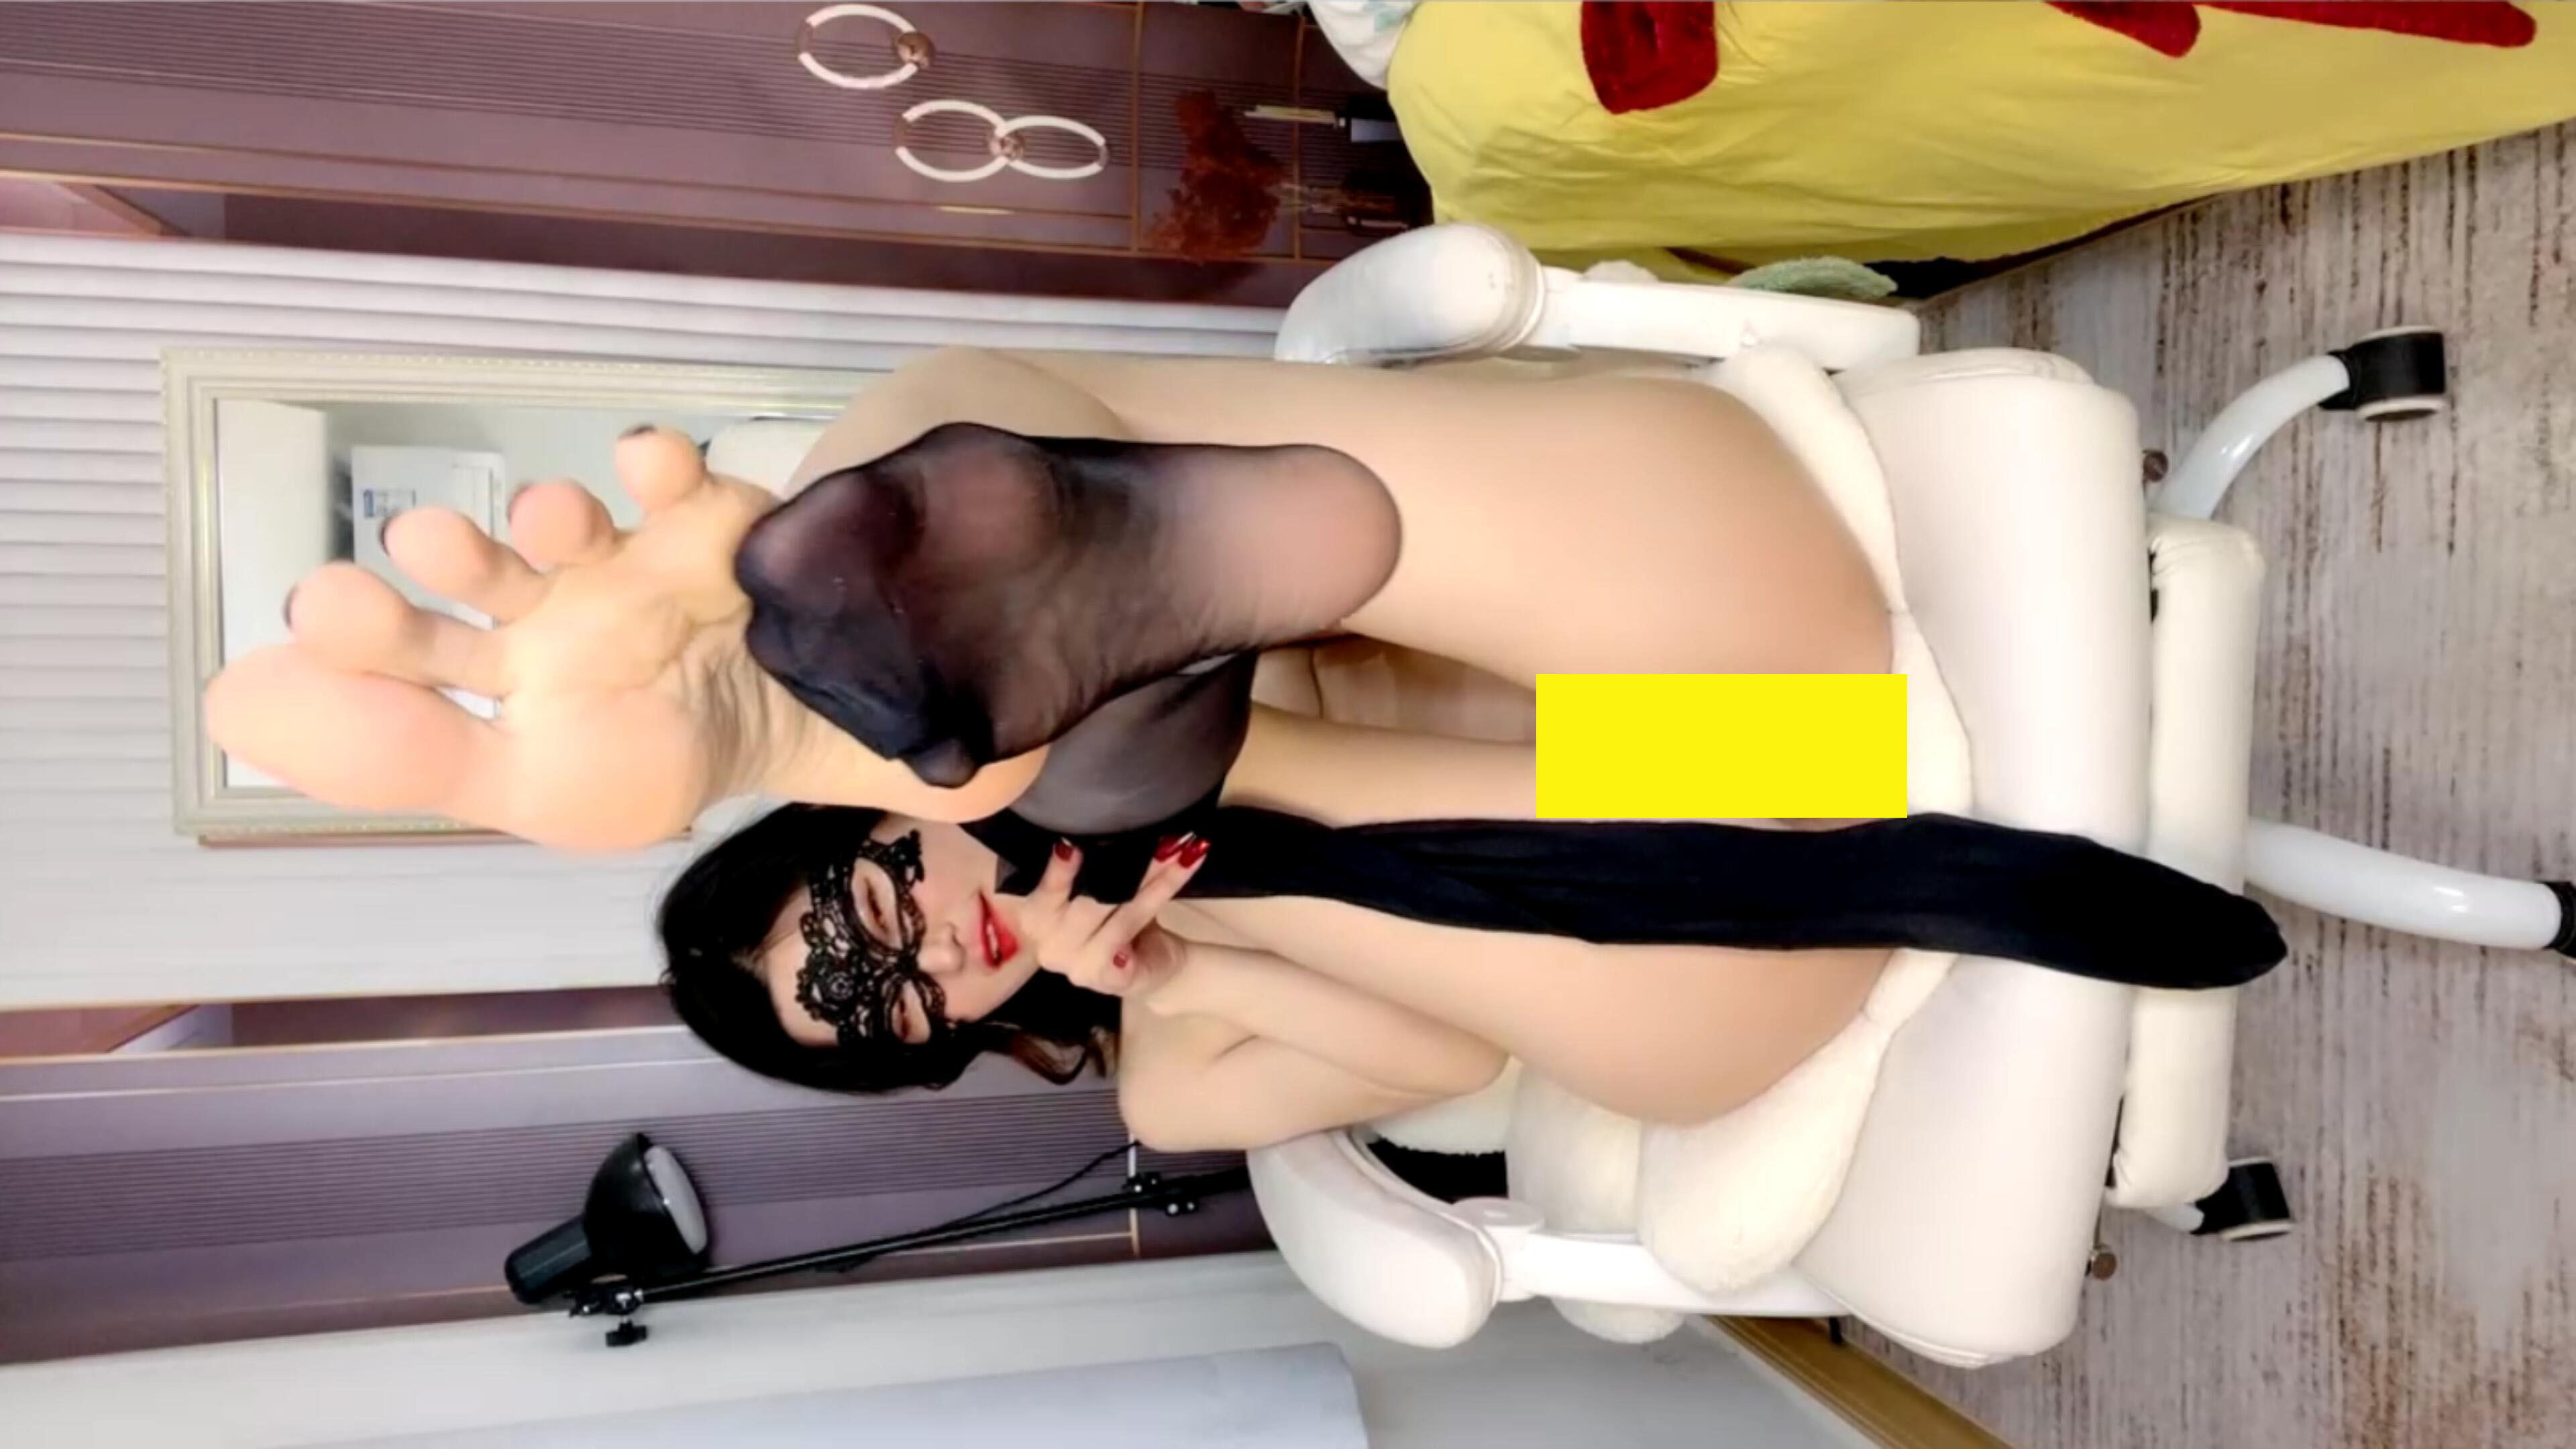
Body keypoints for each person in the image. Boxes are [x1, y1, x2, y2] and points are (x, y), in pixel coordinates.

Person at [208, 347, 2279, 1151]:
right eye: (885, 1003)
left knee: (1021, 433)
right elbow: (1443, 1057)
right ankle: (1024, 601)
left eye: (856, 914)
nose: (922, 954)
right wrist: (1180, 935)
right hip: (1737, 880)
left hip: (1687, 641)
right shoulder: (1172, 1076)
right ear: (944, 1046)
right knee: (1227, 797)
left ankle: (986, 528)